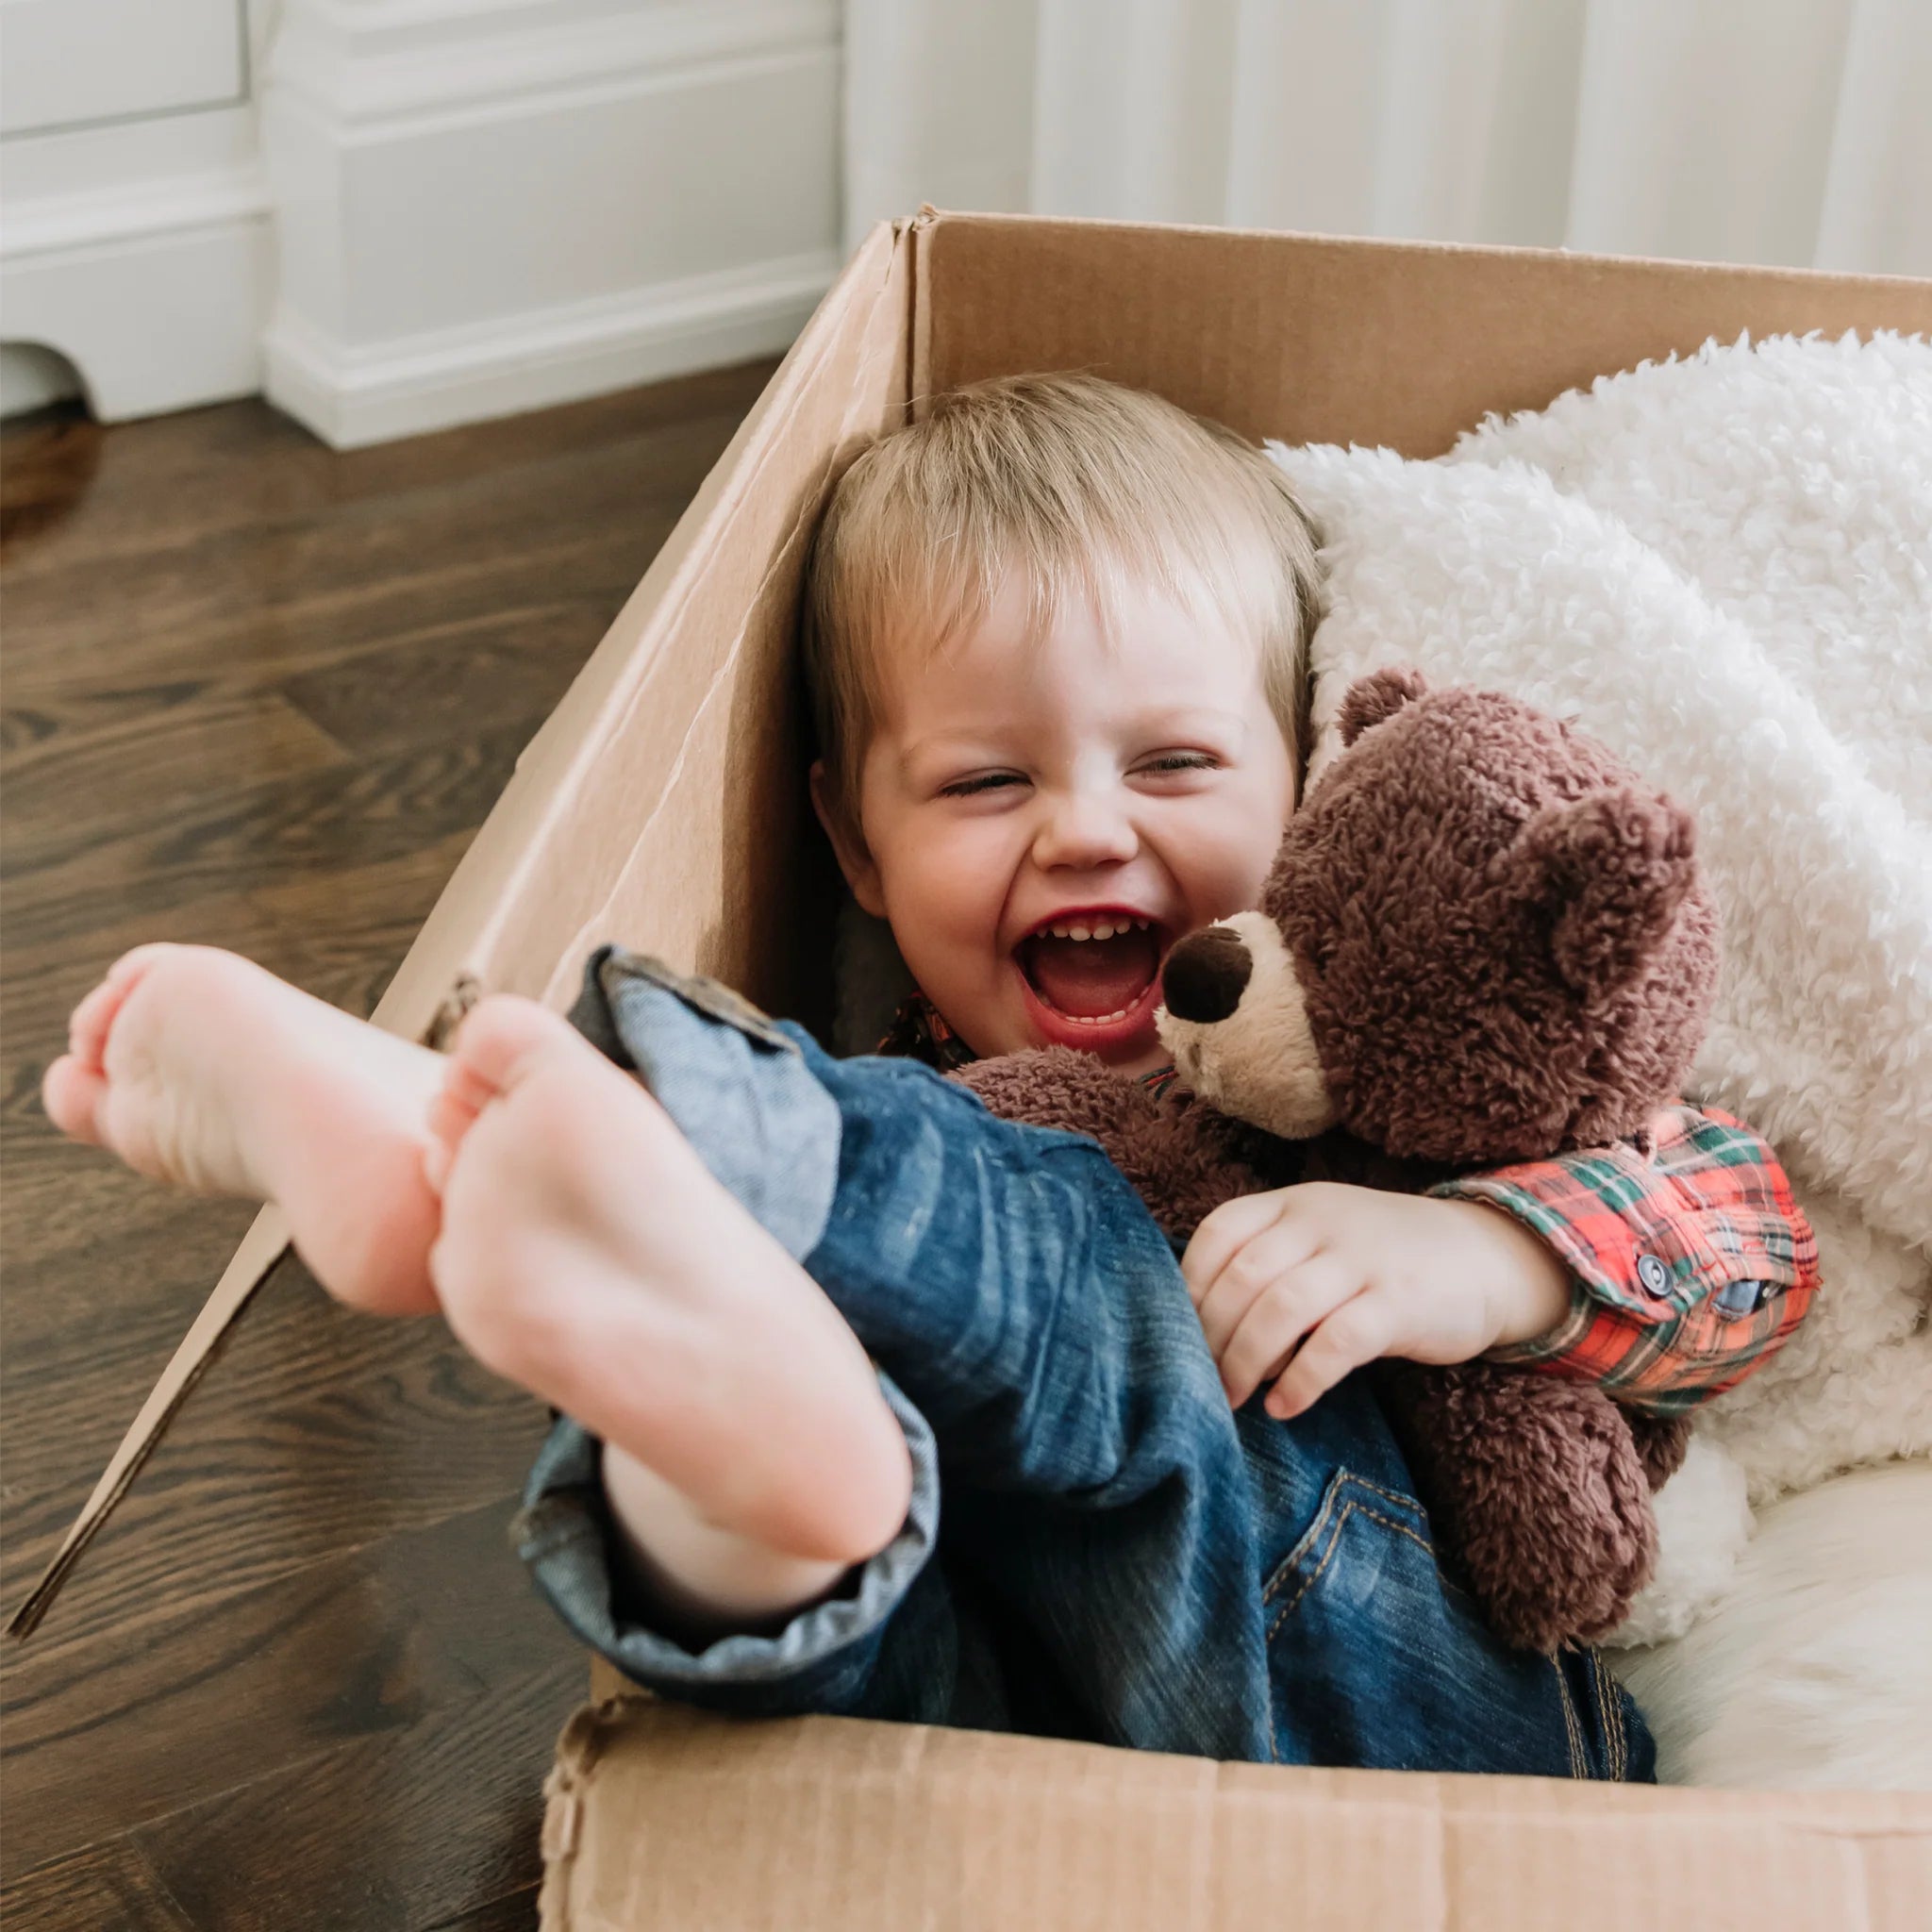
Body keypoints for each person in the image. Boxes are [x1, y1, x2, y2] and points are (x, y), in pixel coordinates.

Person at [41, 375, 1817, 1778]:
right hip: (980, 1731)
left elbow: (1754, 1246)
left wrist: (1491, 1263)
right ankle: (745, 1468)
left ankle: (591, 1141)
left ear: (1299, 775)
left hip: (1407, 1701)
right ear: (857, 847)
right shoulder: (925, 1104)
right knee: (758, 1397)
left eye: (1179, 758)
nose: (1087, 828)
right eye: (984, 785)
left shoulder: (1388, 1077)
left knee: (1035, 1260)